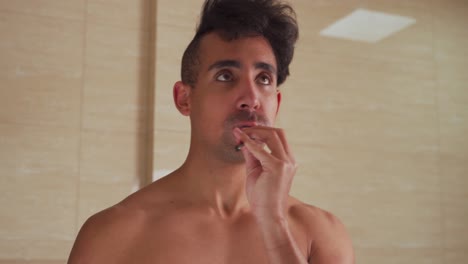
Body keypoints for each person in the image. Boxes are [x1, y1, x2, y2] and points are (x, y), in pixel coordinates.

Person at [68, 0, 355, 263]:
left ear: (276, 103)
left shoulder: (320, 233)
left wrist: (273, 223)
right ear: (184, 98)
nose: (250, 98)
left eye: (264, 78)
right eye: (225, 76)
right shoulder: (112, 235)